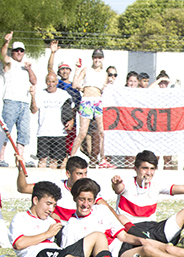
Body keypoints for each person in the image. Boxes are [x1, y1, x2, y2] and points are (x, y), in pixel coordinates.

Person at [63, 178, 184, 257]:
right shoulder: (71, 226)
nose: (85, 204)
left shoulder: (102, 210)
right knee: (148, 251)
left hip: (130, 238)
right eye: (81, 200)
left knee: (161, 247)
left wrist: (141, 240)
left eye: (89, 200)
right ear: (75, 199)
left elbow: (123, 236)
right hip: (116, 255)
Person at [9, 181, 136, 257]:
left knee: (98, 235)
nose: (51, 209)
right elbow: (18, 244)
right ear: (35, 200)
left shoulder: (50, 220)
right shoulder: (21, 217)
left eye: (53, 205)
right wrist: (47, 234)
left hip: (58, 252)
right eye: (48, 204)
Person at [111, 150, 184, 246]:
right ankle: (150, 243)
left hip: (153, 229)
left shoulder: (156, 185)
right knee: (120, 218)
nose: (149, 173)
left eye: (152, 168)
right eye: (145, 168)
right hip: (133, 232)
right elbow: (118, 188)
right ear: (135, 169)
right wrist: (116, 183)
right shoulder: (127, 183)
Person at [16, 155, 112, 225]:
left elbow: (109, 211)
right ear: (68, 174)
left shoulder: (89, 190)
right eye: (79, 174)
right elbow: (23, 188)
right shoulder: (55, 186)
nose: (84, 177)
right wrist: (20, 170)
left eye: (85, 173)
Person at [0, 33, 37, 168]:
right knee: (6, 131)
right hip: (11, 101)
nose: (19, 53)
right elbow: (3, 55)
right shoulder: (10, 63)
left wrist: (29, 69)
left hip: (24, 102)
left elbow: (34, 81)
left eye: (21, 50)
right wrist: (6, 42)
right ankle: (1, 156)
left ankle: (21, 158)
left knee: (24, 132)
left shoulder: (26, 66)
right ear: (12, 51)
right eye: (16, 50)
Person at [70, 49, 108, 167]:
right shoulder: (86, 70)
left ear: (102, 59)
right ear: (92, 58)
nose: (97, 60)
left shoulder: (104, 73)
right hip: (87, 101)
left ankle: (103, 159)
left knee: (102, 132)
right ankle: (71, 157)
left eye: (99, 58)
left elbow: (105, 89)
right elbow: (75, 84)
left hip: (98, 101)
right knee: (82, 132)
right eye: (95, 57)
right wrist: (77, 69)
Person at [47, 40, 82, 162]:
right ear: (59, 72)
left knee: (67, 153)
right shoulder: (57, 84)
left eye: (67, 69)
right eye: (62, 69)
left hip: (70, 125)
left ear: (70, 71)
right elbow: (49, 70)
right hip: (55, 123)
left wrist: (71, 120)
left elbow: (76, 107)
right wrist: (52, 53)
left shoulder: (75, 89)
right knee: (55, 155)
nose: (65, 71)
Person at [30, 73, 73, 168]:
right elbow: (33, 110)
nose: (51, 84)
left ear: (57, 82)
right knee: (42, 161)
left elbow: (71, 109)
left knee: (54, 162)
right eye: (49, 81)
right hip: (43, 132)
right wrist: (32, 96)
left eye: (53, 81)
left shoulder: (63, 94)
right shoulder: (40, 93)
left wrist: (71, 120)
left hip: (59, 133)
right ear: (46, 82)